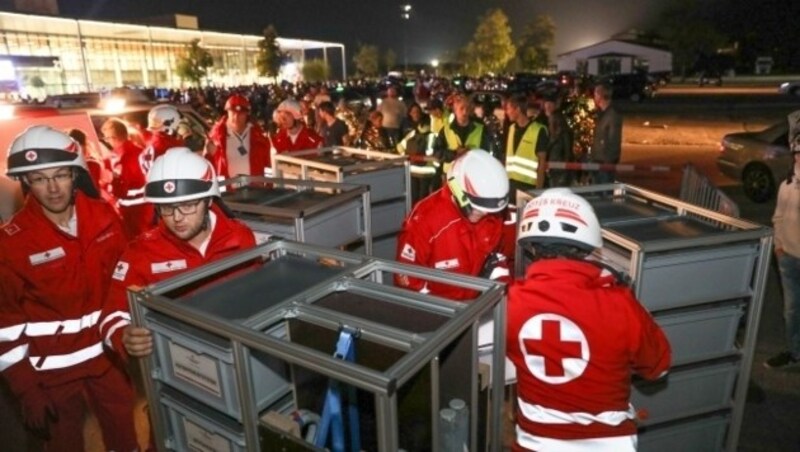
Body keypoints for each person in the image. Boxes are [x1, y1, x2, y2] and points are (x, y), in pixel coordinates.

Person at [0, 126, 138, 451]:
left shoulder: (104, 218)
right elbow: (4, 326)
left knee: (125, 439)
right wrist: (25, 388)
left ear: (76, 175)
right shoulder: (12, 243)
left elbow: (126, 280)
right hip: (51, 376)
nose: (52, 188)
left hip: (108, 361)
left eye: (61, 175)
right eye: (39, 178)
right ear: (25, 182)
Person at [507, 188, 671, 452]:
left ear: (531, 246)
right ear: (587, 244)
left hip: (534, 444)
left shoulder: (510, 302)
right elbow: (659, 367)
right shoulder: (620, 305)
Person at [99, 147, 256, 359]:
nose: (177, 217)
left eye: (188, 205)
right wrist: (122, 336)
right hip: (182, 362)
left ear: (209, 201)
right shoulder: (141, 253)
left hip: (241, 351)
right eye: (167, 207)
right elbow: (112, 315)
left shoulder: (240, 237)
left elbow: (258, 296)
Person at [395, 149, 510, 301]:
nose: (484, 214)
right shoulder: (424, 221)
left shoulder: (493, 216)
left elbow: (497, 257)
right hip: (437, 313)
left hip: (473, 308)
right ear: (457, 189)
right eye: (478, 209)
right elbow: (405, 277)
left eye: (488, 211)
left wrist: (502, 293)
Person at [765, 110, 800, 369]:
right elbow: (777, 217)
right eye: (797, 154)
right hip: (787, 259)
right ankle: (795, 353)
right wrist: (778, 247)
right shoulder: (786, 185)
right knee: (791, 312)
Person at [207, 93, 272, 178]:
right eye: (233, 113)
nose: (236, 117)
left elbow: (267, 165)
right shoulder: (215, 138)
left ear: (247, 114)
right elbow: (208, 169)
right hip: (227, 189)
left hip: (256, 189)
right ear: (227, 112)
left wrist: (268, 186)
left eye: (241, 113)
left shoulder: (258, 136)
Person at [432, 93, 494, 177]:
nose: (465, 112)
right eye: (461, 108)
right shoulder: (446, 130)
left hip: (472, 176)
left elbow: (486, 153)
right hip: (452, 177)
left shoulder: (480, 129)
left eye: (467, 108)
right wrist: (454, 153)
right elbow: (437, 152)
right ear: (455, 110)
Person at [504, 94, 549, 200]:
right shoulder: (511, 129)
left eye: (509, 109)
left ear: (518, 109)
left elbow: (542, 164)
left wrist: (538, 191)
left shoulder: (538, 130)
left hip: (528, 187)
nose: (507, 112)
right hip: (511, 186)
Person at [590, 82, 622, 184]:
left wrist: (608, 162)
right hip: (599, 160)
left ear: (600, 95)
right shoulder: (602, 113)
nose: (594, 97)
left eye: (595, 94)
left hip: (605, 163)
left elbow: (613, 140)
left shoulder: (612, 115)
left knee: (604, 192)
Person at [542, 92, 574, 188]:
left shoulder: (554, 118)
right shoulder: (560, 117)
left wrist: (545, 150)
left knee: (555, 186)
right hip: (560, 158)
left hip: (557, 158)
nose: (547, 107)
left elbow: (554, 137)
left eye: (549, 105)